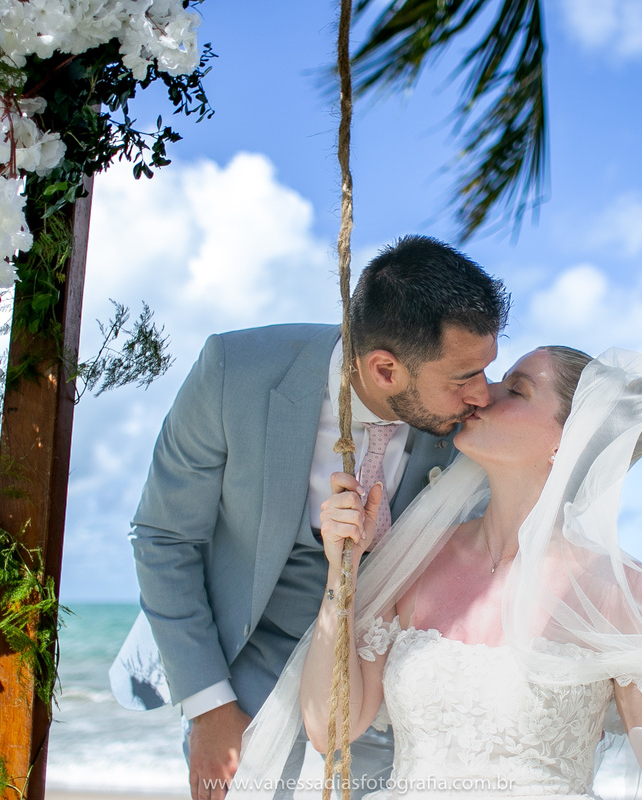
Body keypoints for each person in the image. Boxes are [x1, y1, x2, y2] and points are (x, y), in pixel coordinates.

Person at [230, 346, 642, 800]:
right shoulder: (418, 557)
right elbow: (330, 729)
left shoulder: (618, 588)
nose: (484, 393)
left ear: (569, 439)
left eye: (517, 390)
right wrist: (341, 576)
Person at [109, 235, 511, 800]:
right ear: (385, 370)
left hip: (380, 686)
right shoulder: (234, 374)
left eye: (485, 372)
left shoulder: (467, 426)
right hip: (242, 667)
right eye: (462, 379)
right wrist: (207, 708)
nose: (484, 396)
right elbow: (164, 536)